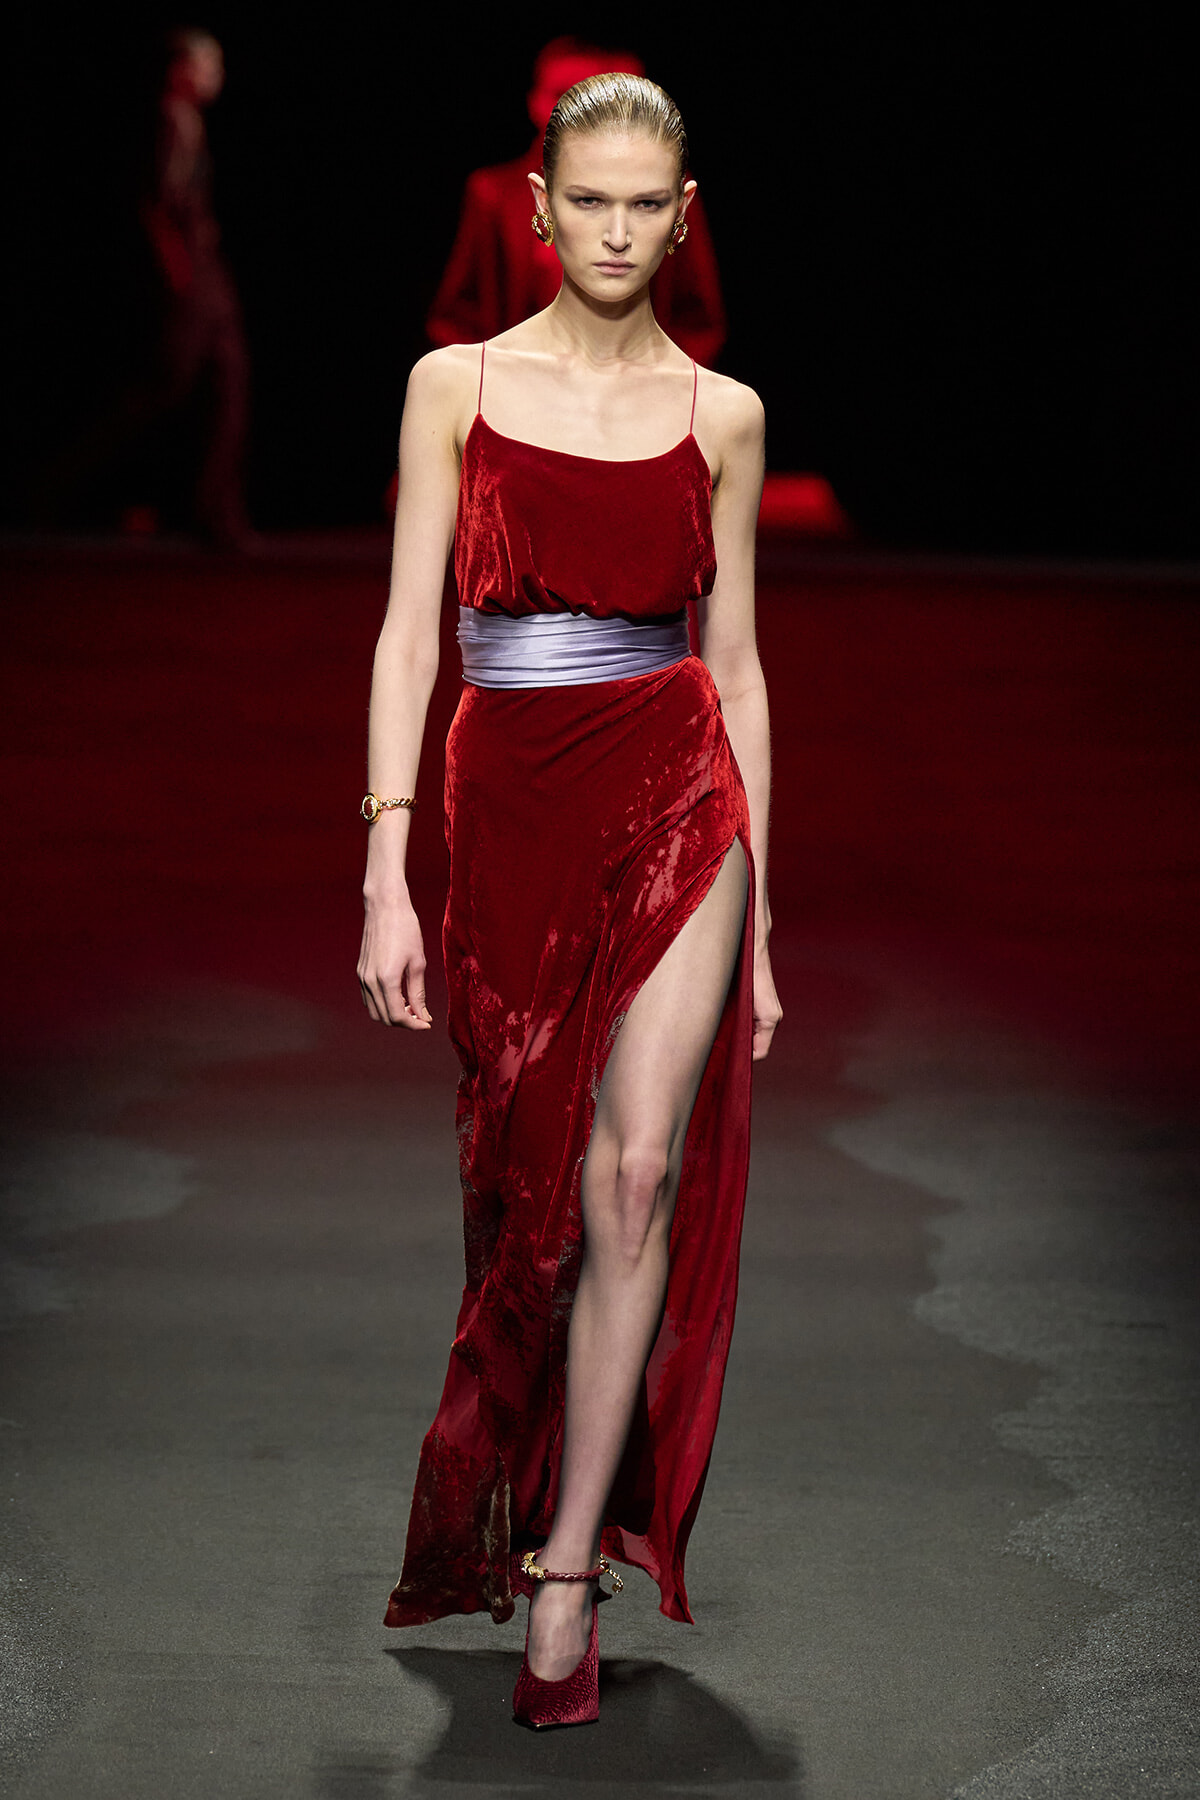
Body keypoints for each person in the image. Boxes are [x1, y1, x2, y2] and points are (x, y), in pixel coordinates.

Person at [357, 72, 780, 1730]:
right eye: (586, 200)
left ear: (685, 218)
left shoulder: (723, 414)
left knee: (634, 1169)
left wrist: (768, 920)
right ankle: (525, 1496)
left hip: (679, 792)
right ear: (537, 209)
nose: (615, 231)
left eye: (644, 205)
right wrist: (387, 864)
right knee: (522, 1195)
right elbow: (406, 634)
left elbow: (737, 671)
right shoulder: (453, 386)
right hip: (507, 793)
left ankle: (559, 1581)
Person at [426, 38, 727, 367]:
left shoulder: (668, 189)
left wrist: (664, 390)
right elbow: (458, 315)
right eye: (563, 96)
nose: (585, 114)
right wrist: (493, 381)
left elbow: (698, 318)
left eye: (646, 205)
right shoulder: (492, 192)